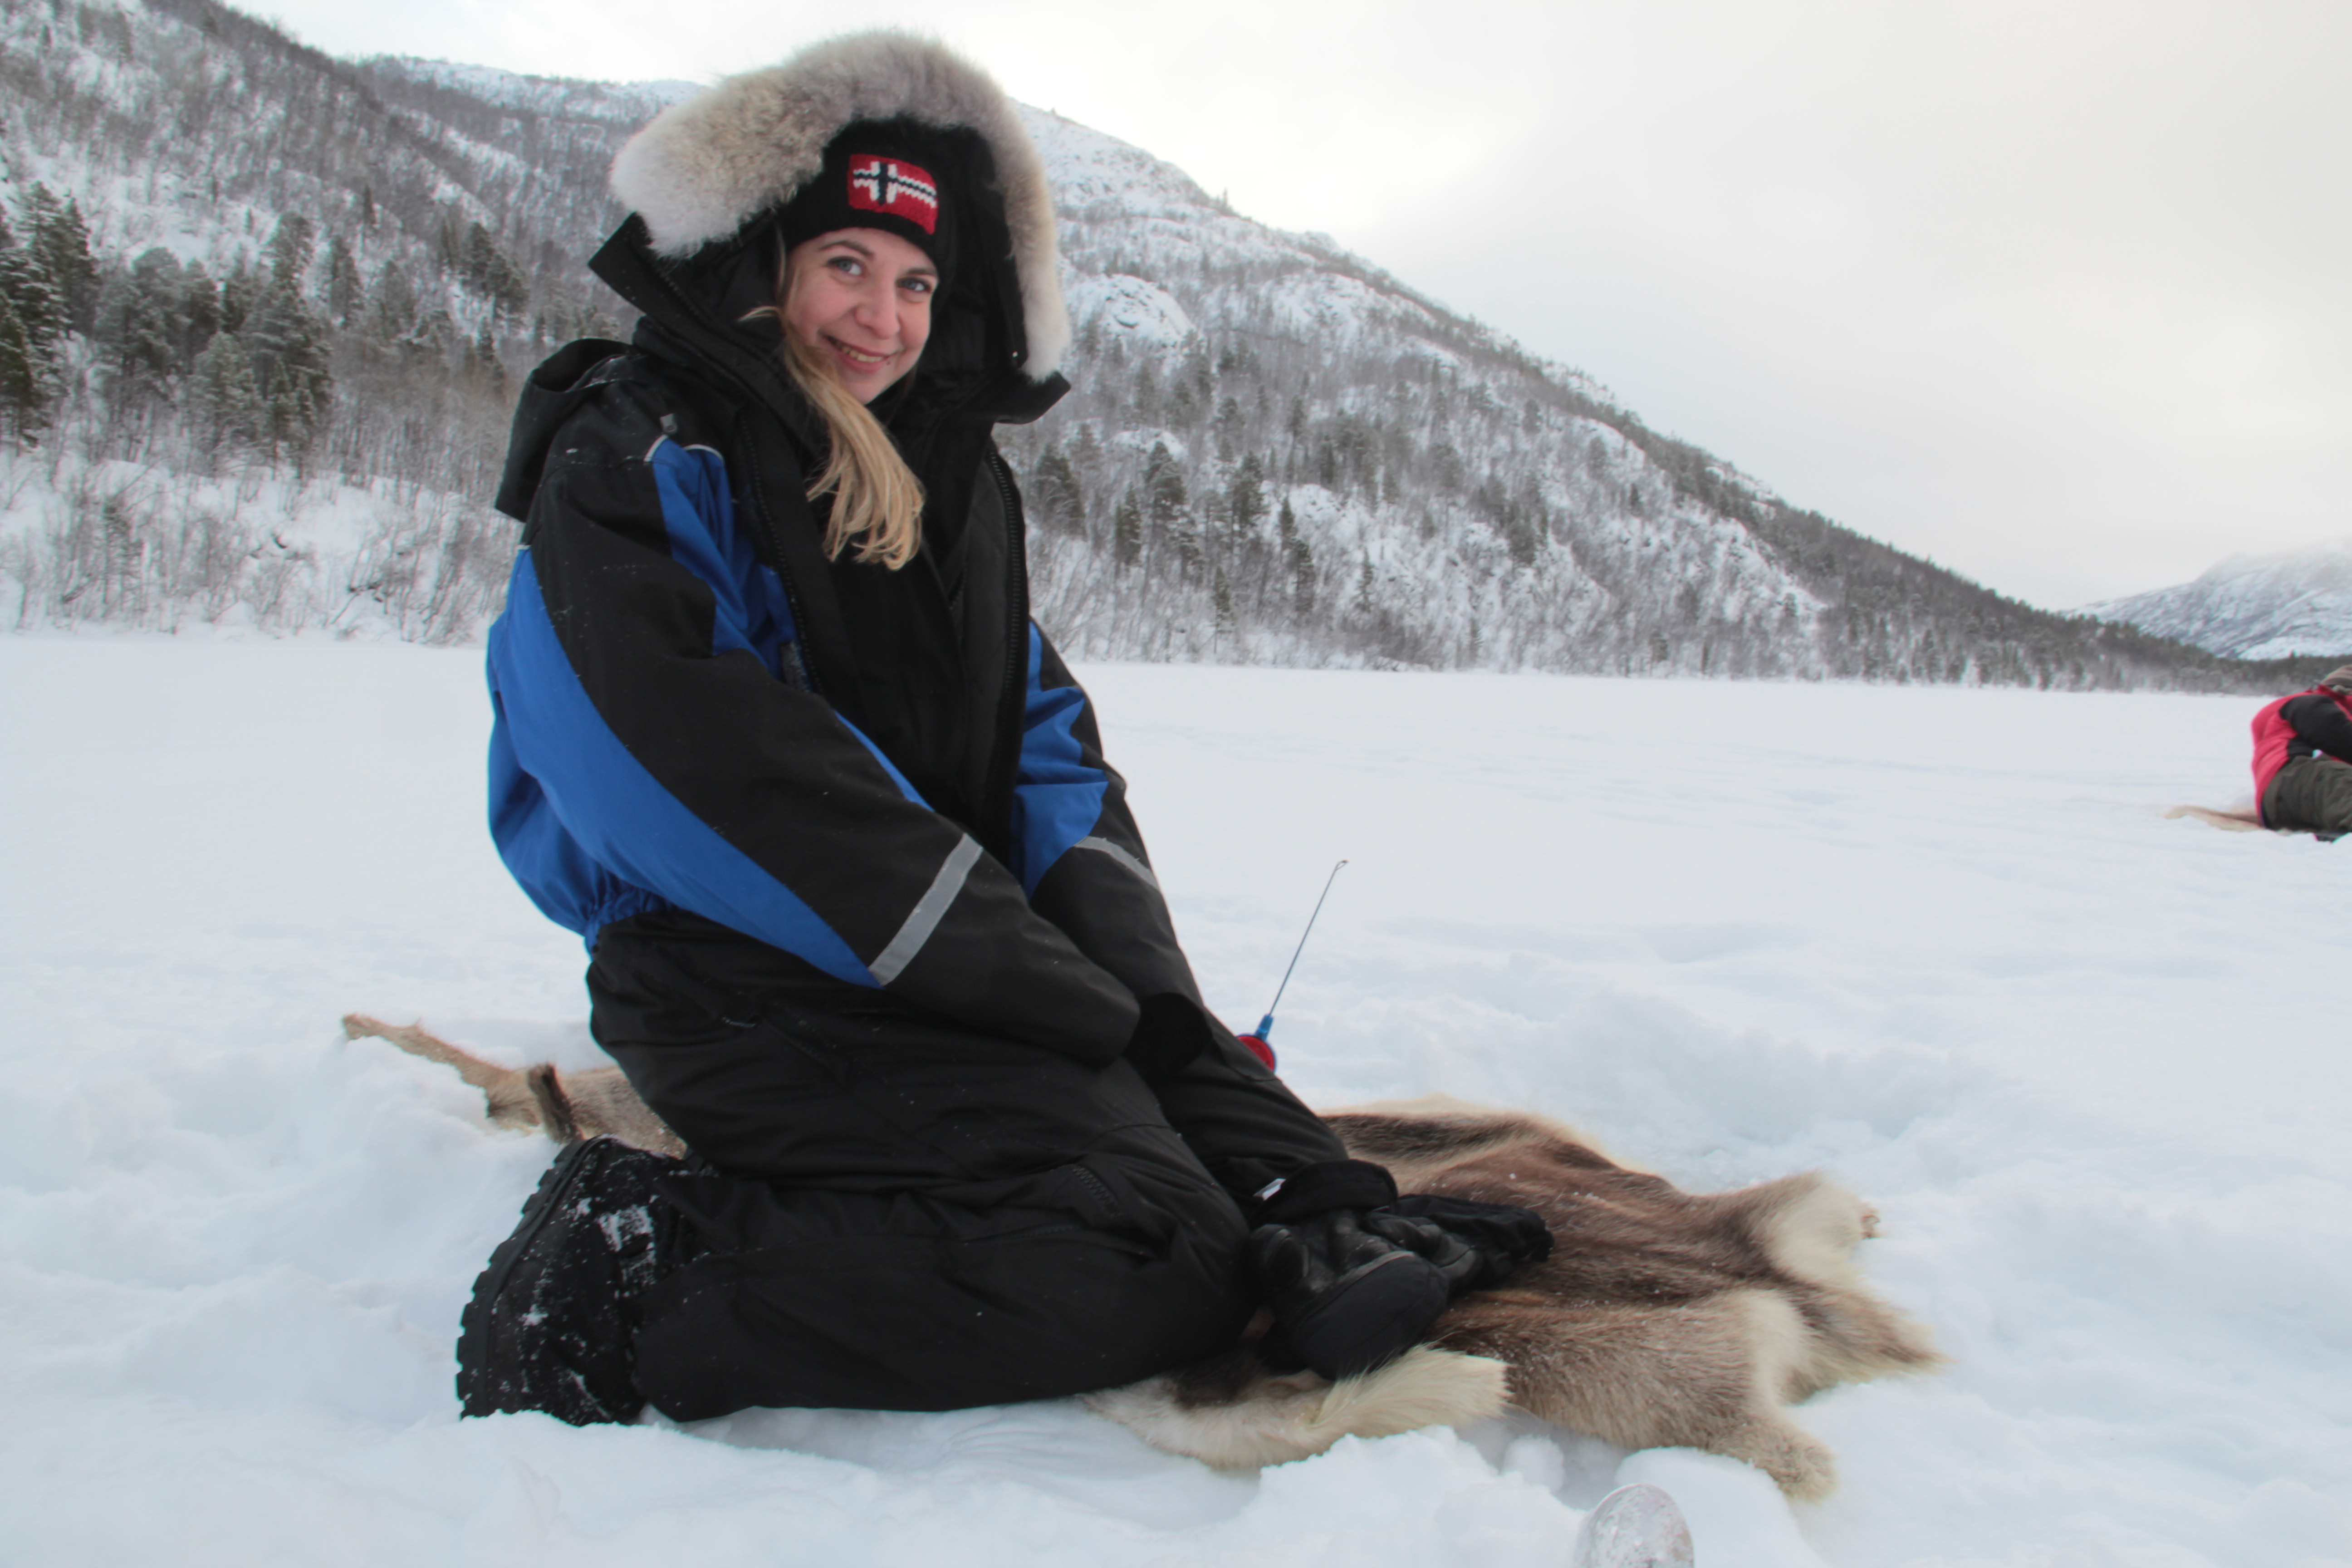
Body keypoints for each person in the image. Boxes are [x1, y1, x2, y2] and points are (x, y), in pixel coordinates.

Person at [456, 32, 1543, 1428]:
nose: (885, 316)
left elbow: (1046, 760)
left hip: (934, 972)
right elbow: (689, 769)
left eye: (918, 282)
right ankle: (626, 1279)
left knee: (1195, 1164)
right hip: (735, 980)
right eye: (847, 261)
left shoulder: (947, 494)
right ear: (763, 262)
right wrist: (1035, 985)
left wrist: (1189, 1055)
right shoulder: (642, 453)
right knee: (1137, 1260)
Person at [2249, 664, 2352, 840]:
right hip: (2296, 777)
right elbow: (2341, 738)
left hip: (2283, 799)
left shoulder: (2289, 708)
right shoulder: (2311, 703)